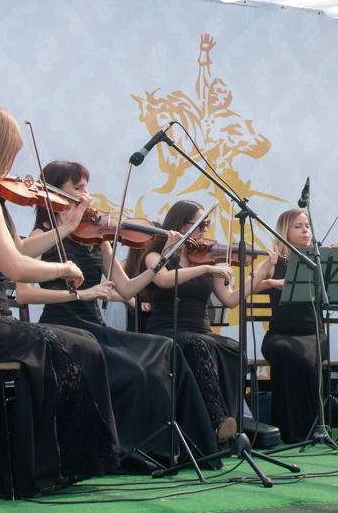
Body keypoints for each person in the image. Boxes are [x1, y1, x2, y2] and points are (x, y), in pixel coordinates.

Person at [0, 102, 120, 497]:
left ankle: (42, 461)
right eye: (10, 151)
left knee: (82, 342)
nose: (13, 162)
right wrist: (63, 269)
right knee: (63, 347)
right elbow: (14, 266)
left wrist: (66, 227)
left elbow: (18, 248)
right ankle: (28, 466)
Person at [14, 160, 220, 469]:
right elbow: (24, 293)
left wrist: (162, 259)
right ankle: (123, 449)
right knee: (134, 366)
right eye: (78, 188)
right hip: (62, 325)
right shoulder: (41, 234)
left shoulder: (97, 237)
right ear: (55, 192)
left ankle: (181, 444)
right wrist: (80, 294)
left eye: (86, 186)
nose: (86, 195)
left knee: (164, 350)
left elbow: (127, 289)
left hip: (95, 327)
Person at [128, 199, 279, 444]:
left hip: (201, 329)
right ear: (181, 225)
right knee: (196, 345)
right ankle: (217, 422)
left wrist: (263, 271)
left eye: (206, 224)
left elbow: (230, 299)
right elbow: (164, 280)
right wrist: (207, 270)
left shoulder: (207, 258)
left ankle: (233, 420)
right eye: (199, 225)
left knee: (232, 349)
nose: (204, 230)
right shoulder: (157, 256)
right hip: (166, 328)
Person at [260, 208, 325, 443]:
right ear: (284, 231)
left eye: (307, 226)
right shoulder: (274, 261)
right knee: (283, 350)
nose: (305, 230)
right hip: (279, 333)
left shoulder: (317, 260)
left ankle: (311, 427)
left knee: (302, 359)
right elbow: (249, 286)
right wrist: (270, 281)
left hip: (312, 333)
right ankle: (285, 430)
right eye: (298, 227)